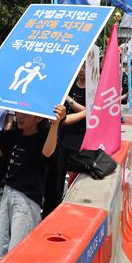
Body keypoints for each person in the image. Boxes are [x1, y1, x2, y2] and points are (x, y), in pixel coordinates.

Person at [0, 94, 66, 261]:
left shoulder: (44, 137)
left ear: (38, 117)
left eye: (25, 113)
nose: (19, 116)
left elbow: (48, 152)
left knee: (18, 249)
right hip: (7, 193)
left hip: (27, 200)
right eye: (18, 112)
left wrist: (55, 123)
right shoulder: (15, 134)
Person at [42, 66, 87, 218]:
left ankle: (71, 211)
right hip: (60, 135)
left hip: (78, 138)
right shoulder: (70, 84)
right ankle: (50, 211)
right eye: (80, 67)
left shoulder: (93, 89)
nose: (82, 70)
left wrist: (68, 99)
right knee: (55, 176)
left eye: (86, 68)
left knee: (77, 179)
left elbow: (88, 110)